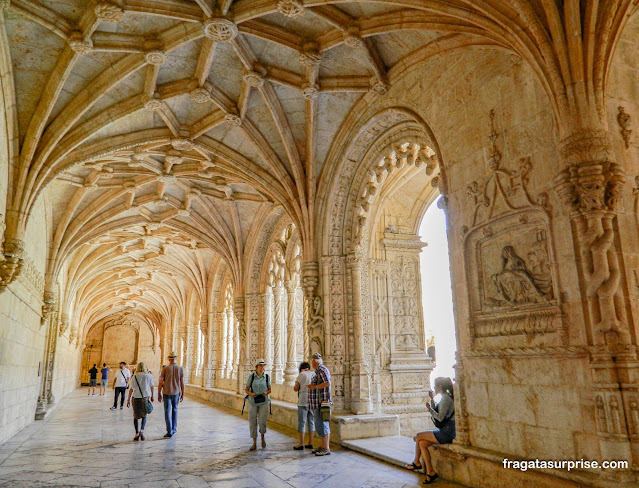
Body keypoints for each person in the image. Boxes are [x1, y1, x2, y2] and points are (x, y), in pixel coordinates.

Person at [404, 377, 455, 484]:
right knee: (422, 443)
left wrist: (429, 409)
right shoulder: (444, 397)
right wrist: (432, 400)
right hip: (446, 430)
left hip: (447, 432)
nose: (434, 388)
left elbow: (440, 417)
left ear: (440, 387)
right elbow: (438, 411)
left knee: (419, 436)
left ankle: (416, 462)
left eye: (435, 386)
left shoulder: (446, 399)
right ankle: (430, 472)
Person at [307, 352, 331, 456]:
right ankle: (322, 446)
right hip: (317, 403)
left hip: (322, 402)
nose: (311, 363)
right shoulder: (318, 370)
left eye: (312, 361)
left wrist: (315, 387)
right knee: (319, 425)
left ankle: (326, 448)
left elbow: (327, 382)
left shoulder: (321, 369)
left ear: (315, 362)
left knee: (322, 424)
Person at [245, 358, 271, 451]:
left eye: (263, 365)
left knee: (262, 421)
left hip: (263, 401)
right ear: (256, 367)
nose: (262, 367)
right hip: (253, 402)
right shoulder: (251, 377)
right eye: (261, 365)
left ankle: (263, 438)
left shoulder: (267, 377)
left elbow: (270, 389)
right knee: (252, 422)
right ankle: (254, 442)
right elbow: (246, 389)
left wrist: (266, 393)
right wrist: (251, 394)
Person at [158, 352, 184, 438]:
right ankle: (174, 428)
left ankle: (169, 431)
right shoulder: (180, 368)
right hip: (176, 392)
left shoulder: (165, 369)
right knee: (175, 410)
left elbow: (161, 382)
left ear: (169, 359)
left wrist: (158, 393)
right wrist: (183, 393)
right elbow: (182, 382)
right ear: (176, 359)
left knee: (167, 411)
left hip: (166, 392)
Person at [127, 362, 154, 441]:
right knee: (144, 415)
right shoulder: (149, 376)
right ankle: (142, 430)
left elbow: (131, 389)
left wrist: (128, 399)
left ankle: (136, 433)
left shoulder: (134, 376)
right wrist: (152, 395)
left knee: (135, 416)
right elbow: (152, 386)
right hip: (145, 397)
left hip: (136, 398)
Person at [293, 361, 315, 450]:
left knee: (302, 422)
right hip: (312, 400)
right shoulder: (314, 374)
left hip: (303, 400)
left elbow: (296, 388)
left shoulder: (301, 375)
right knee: (311, 422)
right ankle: (310, 443)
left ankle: (301, 443)